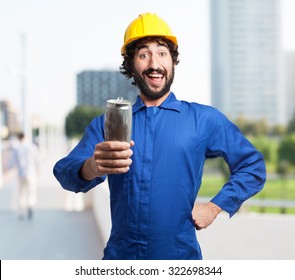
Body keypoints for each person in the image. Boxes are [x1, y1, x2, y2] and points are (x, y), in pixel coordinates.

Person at [53, 12, 266, 260]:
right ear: (131, 66)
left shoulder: (203, 119)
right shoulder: (107, 125)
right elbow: (64, 171)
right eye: (144, 55)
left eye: (162, 53)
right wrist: (90, 167)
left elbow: (252, 166)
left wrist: (215, 206)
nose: (155, 63)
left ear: (173, 62)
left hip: (180, 262)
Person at [11, 132, 38, 219]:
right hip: (31, 173)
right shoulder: (32, 147)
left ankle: (21, 211)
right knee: (31, 191)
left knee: (21, 193)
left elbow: (12, 163)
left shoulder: (17, 148)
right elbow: (36, 159)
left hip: (20, 174)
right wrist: (39, 170)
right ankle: (30, 205)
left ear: (18, 138)